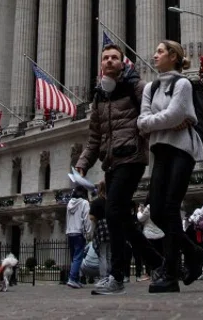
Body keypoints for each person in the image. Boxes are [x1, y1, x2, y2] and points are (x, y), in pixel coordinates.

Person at [75, 43, 163, 295]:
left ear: (122, 63)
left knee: (113, 212)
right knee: (123, 219)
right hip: (111, 162)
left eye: (114, 57)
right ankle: (158, 263)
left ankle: (116, 276)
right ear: (101, 64)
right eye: (105, 58)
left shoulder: (136, 87)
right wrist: (82, 164)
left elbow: (156, 110)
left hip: (132, 158)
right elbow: (94, 138)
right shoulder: (99, 97)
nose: (109, 61)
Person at [137, 40, 203, 293]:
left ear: (174, 56)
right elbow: (141, 121)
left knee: (170, 207)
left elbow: (174, 115)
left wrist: (156, 122)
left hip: (182, 150)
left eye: (160, 51)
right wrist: (165, 121)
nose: (154, 55)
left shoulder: (183, 84)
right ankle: (194, 252)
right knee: (157, 211)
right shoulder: (151, 88)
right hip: (160, 151)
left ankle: (170, 273)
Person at [65, 186, 90, 288]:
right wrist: (88, 231)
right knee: (78, 257)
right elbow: (86, 218)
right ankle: (72, 279)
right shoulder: (85, 203)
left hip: (70, 232)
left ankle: (75, 279)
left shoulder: (69, 203)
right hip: (79, 232)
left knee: (74, 258)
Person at [88, 181, 111, 286]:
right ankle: (110, 276)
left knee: (102, 255)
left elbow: (91, 217)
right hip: (110, 226)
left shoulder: (96, 202)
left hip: (101, 227)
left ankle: (103, 277)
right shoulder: (110, 201)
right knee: (109, 254)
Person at [137, 200, 164, 280]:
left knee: (150, 255)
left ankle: (150, 273)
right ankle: (161, 273)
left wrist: (139, 211)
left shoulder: (149, 207)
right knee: (160, 254)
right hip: (160, 233)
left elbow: (141, 218)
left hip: (149, 234)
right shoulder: (161, 206)